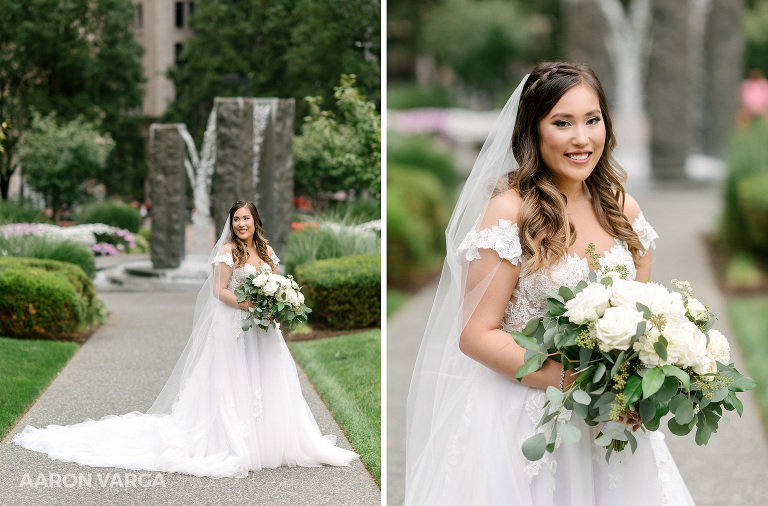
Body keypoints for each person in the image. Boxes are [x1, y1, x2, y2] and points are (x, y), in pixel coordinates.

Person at [403, 63, 696, 505]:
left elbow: (644, 319)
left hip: (609, 420)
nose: (582, 139)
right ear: (533, 131)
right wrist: (571, 380)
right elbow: (476, 335)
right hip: (526, 414)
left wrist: (643, 385)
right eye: (562, 123)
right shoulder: (510, 212)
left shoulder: (624, 211)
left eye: (592, 120)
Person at [12, 200, 358, 478]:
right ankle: (232, 441)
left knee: (266, 379)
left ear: (256, 222)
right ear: (231, 223)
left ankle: (272, 441)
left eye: (246, 219)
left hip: (264, 329)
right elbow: (219, 291)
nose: (241, 224)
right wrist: (251, 305)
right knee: (233, 381)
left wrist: (278, 306)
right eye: (236, 219)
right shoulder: (226, 252)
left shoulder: (267, 252)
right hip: (234, 325)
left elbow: (278, 287)